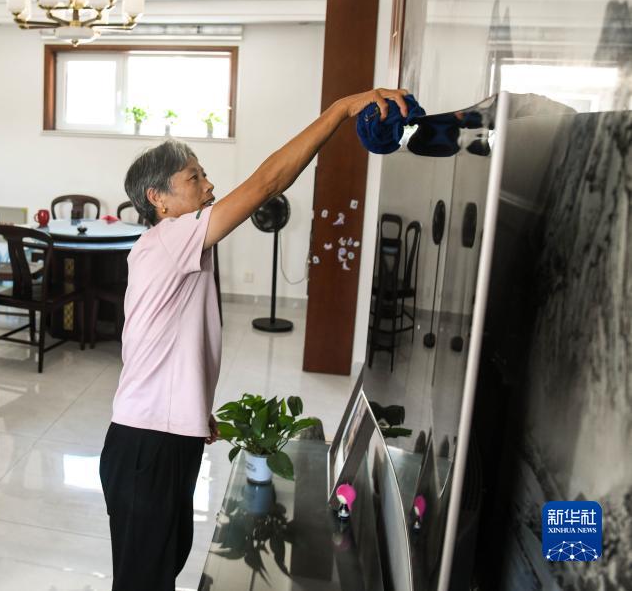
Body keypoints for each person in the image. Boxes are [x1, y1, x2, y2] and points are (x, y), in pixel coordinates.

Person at [100, 88, 410, 590]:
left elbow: (166, 342)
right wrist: (339, 111)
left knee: (160, 570)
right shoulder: (171, 237)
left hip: (163, 436)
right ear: (158, 199)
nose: (209, 185)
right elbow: (268, 182)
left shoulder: (172, 244)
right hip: (146, 446)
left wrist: (191, 409)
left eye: (204, 174)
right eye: (194, 177)